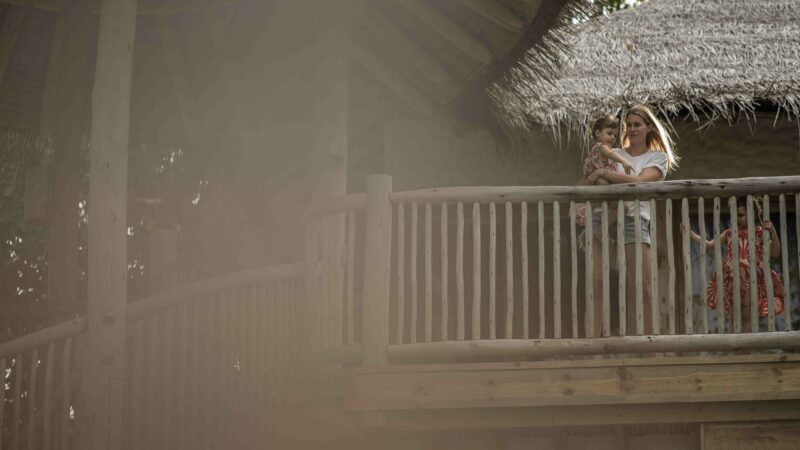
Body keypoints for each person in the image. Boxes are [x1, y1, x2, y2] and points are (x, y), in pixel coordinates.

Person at [584, 104, 679, 337]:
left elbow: (641, 183)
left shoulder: (658, 157)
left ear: (649, 127)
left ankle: (646, 348)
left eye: (638, 124)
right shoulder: (615, 152)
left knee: (642, 288)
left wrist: (605, 174)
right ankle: (592, 348)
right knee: (596, 284)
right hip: (604, 217)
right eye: (629, 125)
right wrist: (599, 176)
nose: (633, 129)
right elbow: (589, 178)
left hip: (633, 220)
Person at [683, 199, 784, 332]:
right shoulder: (730, 233)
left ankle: (747, 350)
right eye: (734, 216)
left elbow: (775, 252)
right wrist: (689, 232)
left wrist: (772, 231)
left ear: (752, 214)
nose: (737, 219)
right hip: (732, 280)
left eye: (741, 215)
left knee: (748, 317)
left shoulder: (759, 233)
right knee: (734, 316)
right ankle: (734, 349)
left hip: (751, 280)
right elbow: (708, 245)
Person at [575, 115, 633, 227]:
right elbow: (611, 154)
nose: (613, 138)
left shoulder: (594, 149)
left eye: (615, 135)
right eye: (609, 133)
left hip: (596, 182)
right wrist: (624, 161)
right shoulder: (602, 147)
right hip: (601, 181)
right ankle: (603, 225)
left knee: (612, 204)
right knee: (623, 207)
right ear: (597, 133)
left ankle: (592, 209)